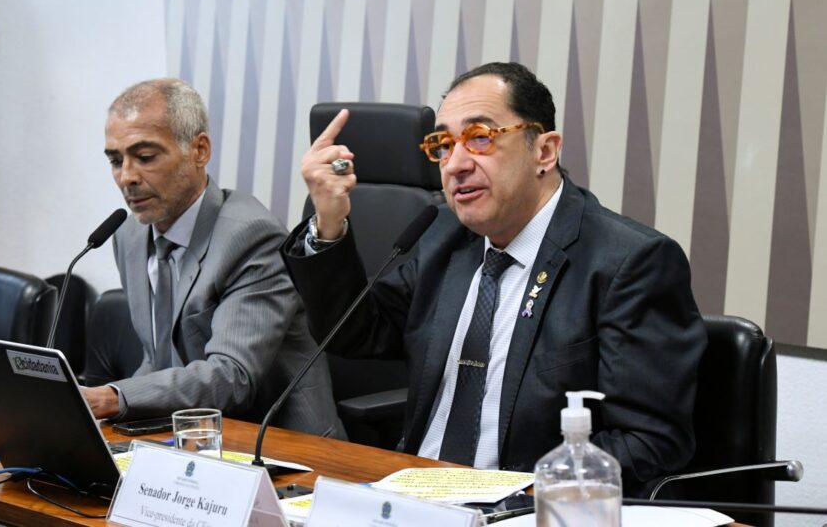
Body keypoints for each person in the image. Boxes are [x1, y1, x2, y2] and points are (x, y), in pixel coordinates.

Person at [281, 62, 706, 494]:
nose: (455, 165)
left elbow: (651, 443)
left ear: (545, 151)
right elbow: (355, 332)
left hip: (526, 509)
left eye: (480, 137)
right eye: (443, 145)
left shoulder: (628, 263)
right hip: (413, 497)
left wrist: (513, 495)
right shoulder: (445, 237)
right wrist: (329, 220)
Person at [82, 78, 344, 439]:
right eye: (115, 160)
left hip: (280, 445)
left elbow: (231, 375)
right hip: (188, 437)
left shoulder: (251, 237)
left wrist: (114, 397)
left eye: (145, 157)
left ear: (199, 150)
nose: (127, 177)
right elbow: (160, 357)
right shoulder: (129, 235)